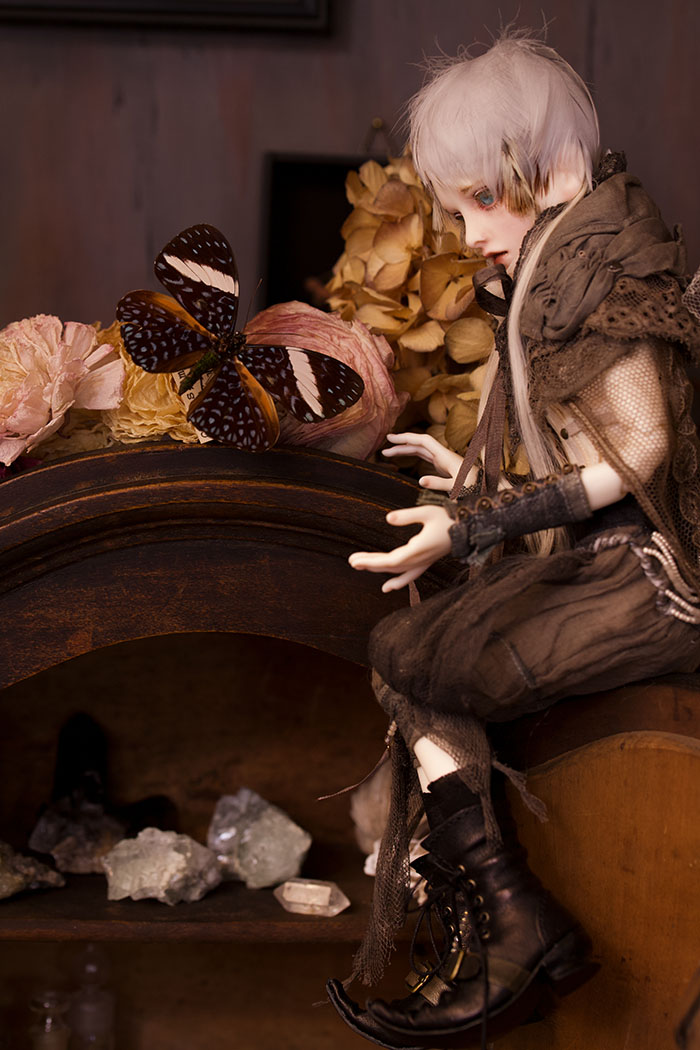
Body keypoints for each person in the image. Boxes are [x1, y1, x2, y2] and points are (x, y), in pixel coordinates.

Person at [326, 30, 700, 1050]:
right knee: (407, 653)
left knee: (416, 659)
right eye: (458, 208)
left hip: (651, 581)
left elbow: (640, 455)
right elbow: (587, 445)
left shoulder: (597, 267)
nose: (470, 232)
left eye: (479, 200)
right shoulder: (566, 256)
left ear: (531, 167)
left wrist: (476, 521)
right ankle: (512, 919)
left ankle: (515, 926)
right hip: (611, 562)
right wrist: (471, 475)